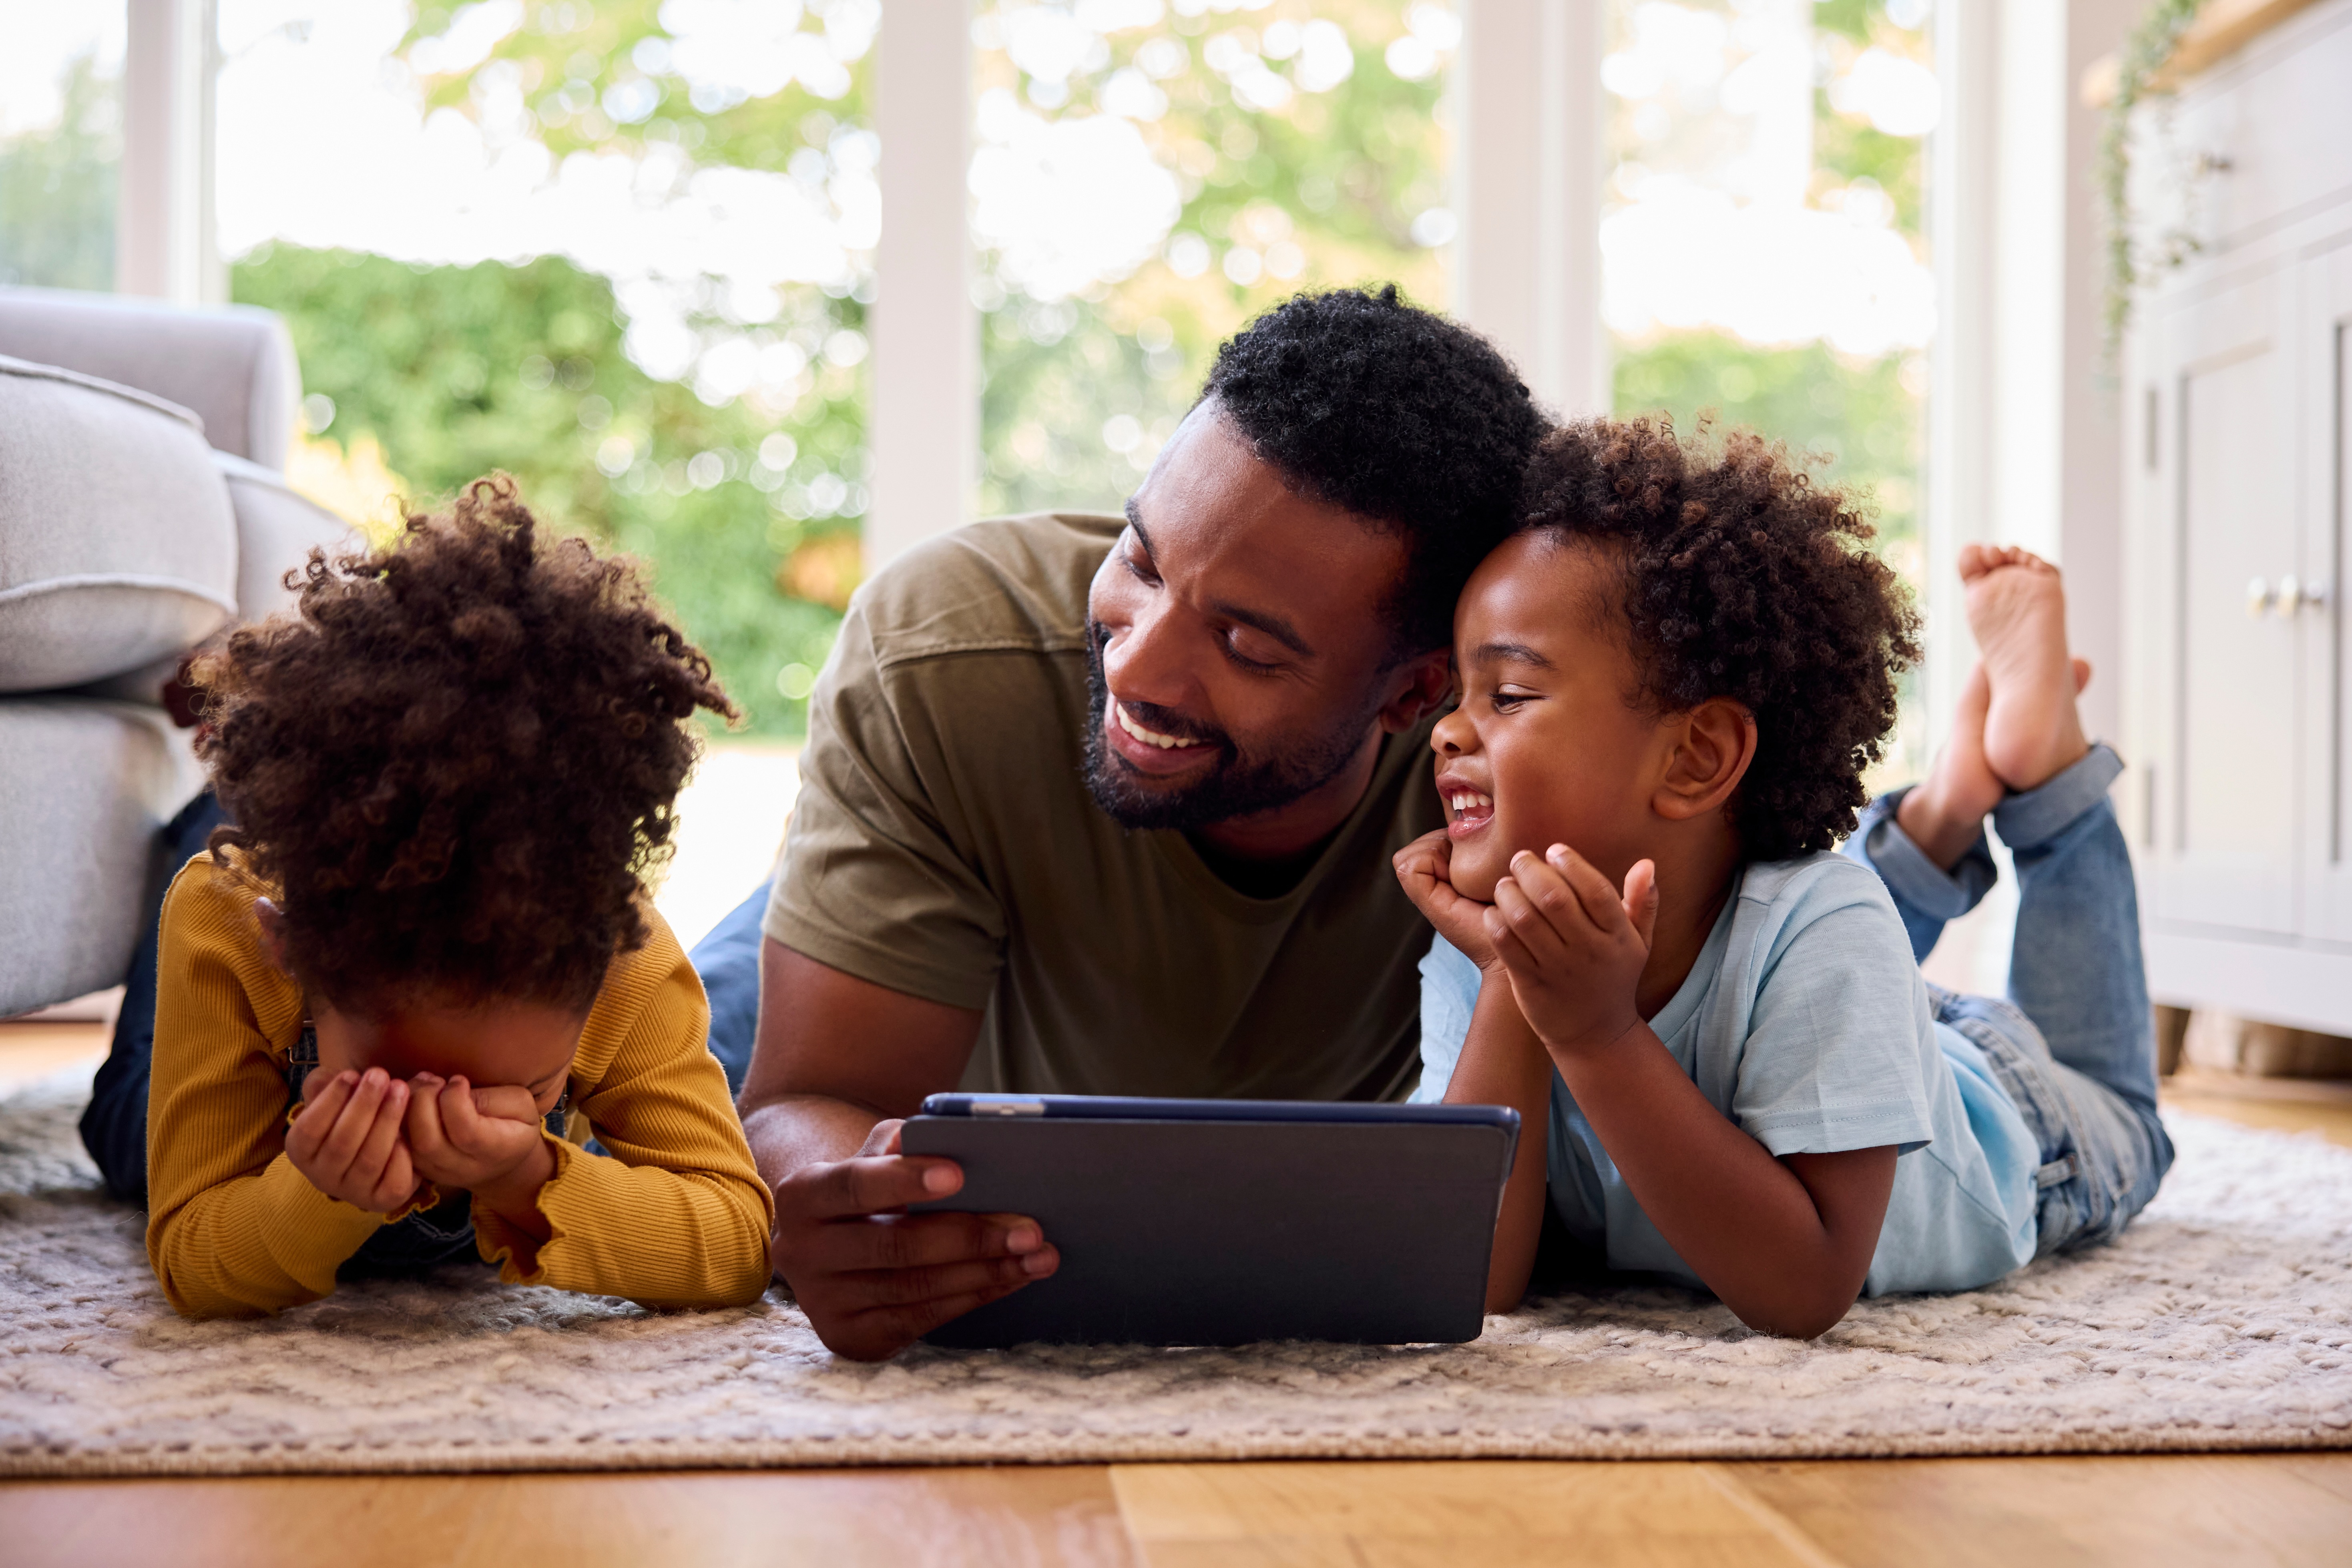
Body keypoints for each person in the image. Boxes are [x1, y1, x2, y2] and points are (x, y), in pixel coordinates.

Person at [700, 286, 1547, 1359]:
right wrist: (839, 1204)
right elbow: (811, 1098)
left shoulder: (1503, 759)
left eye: (1247, 644)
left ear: (1411, 693)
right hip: (877, 936)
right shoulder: (946, 656)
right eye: (1142, 562)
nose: (1135, 664)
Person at [1398, 417, 2173, 1334]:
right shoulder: (1483, 944)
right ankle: (1943, 809)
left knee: (2120, 1108)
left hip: (2019, 1121)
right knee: (1790, 923)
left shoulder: (1824, 925)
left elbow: (1805, 1287)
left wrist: (1597, 1034)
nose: (1447, 730)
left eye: (1509, 695)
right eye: (1456, 696)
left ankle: (2044, 773)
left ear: (1694, 758)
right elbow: (1473, 1275)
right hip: (1856, 1018)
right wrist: (1505, 982)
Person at [131, 478, 774, 1318]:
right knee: (125, 1130)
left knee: (731, 996)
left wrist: (528, 1173)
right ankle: (204, 800)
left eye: (525, 1086)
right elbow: (194, 1255)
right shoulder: (233, 928)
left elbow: (737, 1243)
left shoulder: (619, 953)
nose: (449, 1122)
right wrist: (315, 1190)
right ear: (290, 947)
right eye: (392, 1079)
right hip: (249, 938)